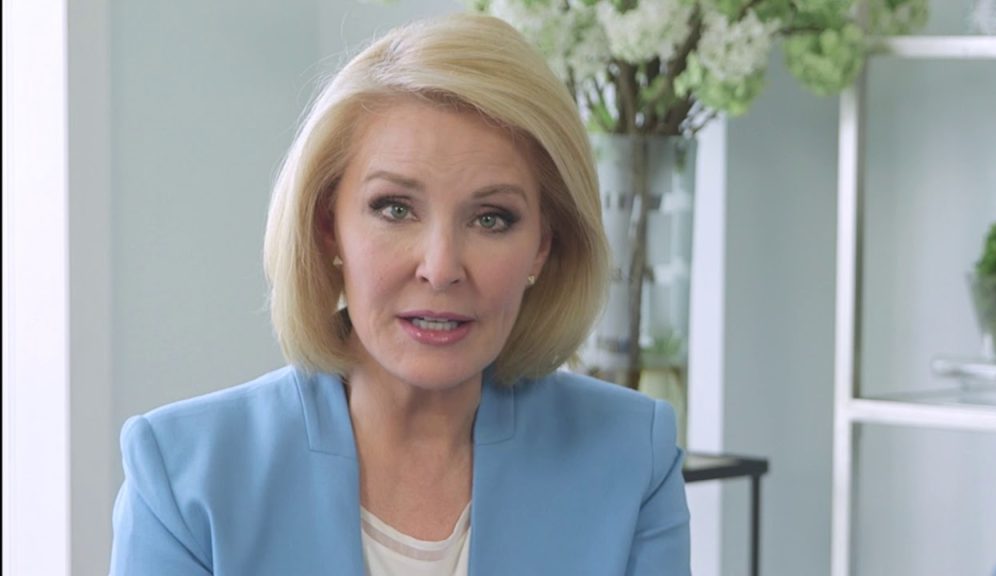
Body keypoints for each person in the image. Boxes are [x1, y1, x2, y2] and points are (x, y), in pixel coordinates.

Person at [109, 13, 691, 576]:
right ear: (328, 226)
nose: (440, 269)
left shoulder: (631, 457)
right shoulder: (184, 476)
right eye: (395, 209)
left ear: (543, 245)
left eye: (491, 218)